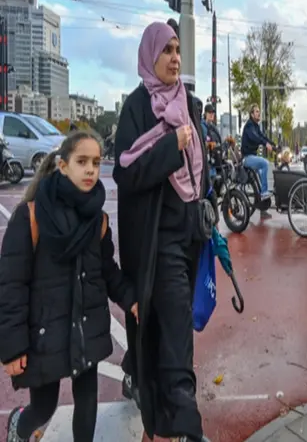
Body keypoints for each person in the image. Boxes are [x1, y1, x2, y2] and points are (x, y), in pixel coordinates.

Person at [0, 131, 138, 442]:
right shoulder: (32, 216)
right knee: (43, 407)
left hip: (85, 329)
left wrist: (131, 299)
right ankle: (20, 427)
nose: (91, 169)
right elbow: (11, 285)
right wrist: (12, 347)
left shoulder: (98, 220)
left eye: (96, 162)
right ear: (62, 166)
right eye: (82, 161)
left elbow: (107, 271)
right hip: (45, 334)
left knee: (87, 401)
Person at [114, 22, 210, 442]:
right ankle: (186, 424)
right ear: (149, 57)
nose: (174, 58)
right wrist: (171, 148)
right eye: (167, 50)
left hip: (191, 238)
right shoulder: (137, 109)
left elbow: (201, 169)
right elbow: (126, 172)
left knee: (163, 323)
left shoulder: (188, 103)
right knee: (175, 327)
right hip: (158, 242)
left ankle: (136, 373)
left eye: (178, 50)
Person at [240, 103, 275, 201]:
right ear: (251, 114)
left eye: (259, 111)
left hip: (252, 156)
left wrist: (273, 144)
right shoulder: (249, 126)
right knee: (264, 163)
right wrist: (265, 144)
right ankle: (264, 193)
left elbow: (262, 136)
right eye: (256, 112)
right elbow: (255, 137)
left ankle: (259, 199)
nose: (259, 113)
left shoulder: (255, 126)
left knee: (260, 173)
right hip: (246, 158)